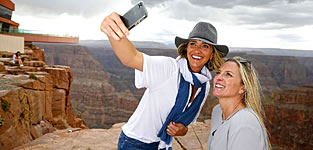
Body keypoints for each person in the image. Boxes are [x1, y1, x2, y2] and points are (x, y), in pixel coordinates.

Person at [100, 12, 229, 150]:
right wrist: (113, 31)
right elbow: (131, 58)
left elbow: (185, 126)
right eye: (193, 44)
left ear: (212, 54)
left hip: (162, 145)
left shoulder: (204, 85)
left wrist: (181, 130)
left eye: (205, 46)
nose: (197, 50)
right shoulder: (169, 68)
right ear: (186, 48)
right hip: (135, 143)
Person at [208, 56, 271, 150]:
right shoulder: (217, 111)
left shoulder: (244, 122)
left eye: (228, 74)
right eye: (218, 72)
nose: (219, 77)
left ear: (242, 88)